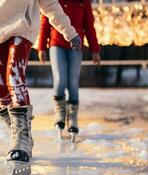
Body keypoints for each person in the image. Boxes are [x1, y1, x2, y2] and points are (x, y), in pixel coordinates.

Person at [0, 0, 81, 164]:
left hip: (21, 28)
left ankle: (21, 141)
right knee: (1, 89)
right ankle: (19, 134)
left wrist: (70, 32)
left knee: (14, 76)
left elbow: (51, 5)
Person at [37, 0, 101, 139]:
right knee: (60, 79)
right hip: (56, 44)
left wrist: (95, 49)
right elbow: (45, 21)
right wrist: (41, 46)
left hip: (76, 45)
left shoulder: (84, 2)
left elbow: (89, 26)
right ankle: (60, 113)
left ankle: (72, 118)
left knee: (73, 82)